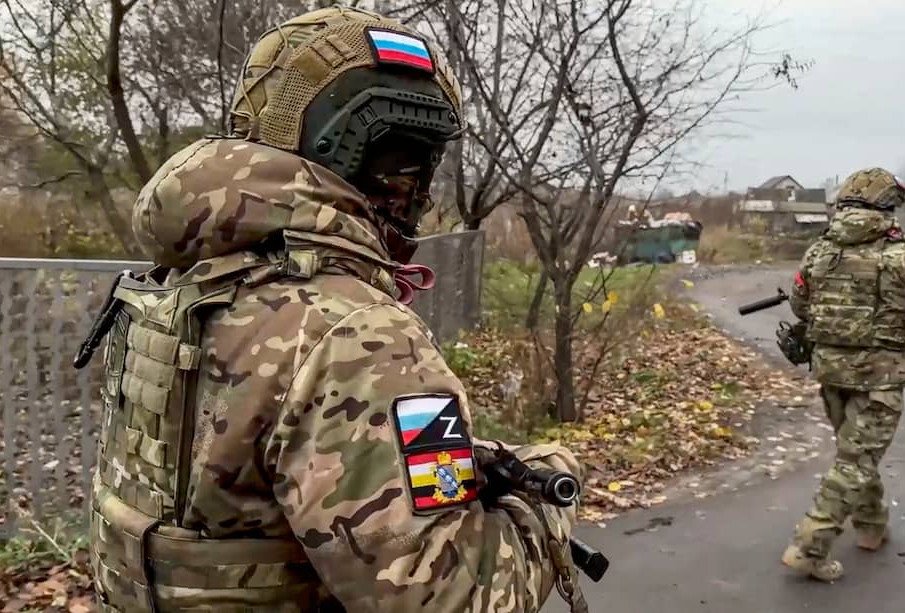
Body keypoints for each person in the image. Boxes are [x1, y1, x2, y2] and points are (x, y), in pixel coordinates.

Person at [83, 6, 586, 613]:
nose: (414, 188)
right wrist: (548, 489)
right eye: (400, 158)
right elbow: (454, 597)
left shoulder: (182, 280)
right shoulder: (357, 333)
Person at [781, 167, 905, 582]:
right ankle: (809, 547)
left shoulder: (820, 251)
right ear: (887, 208)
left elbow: (801, 306)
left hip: (830, 372)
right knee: (857, 459)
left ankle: (871, 527)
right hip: (881, 376)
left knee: (855, 454)